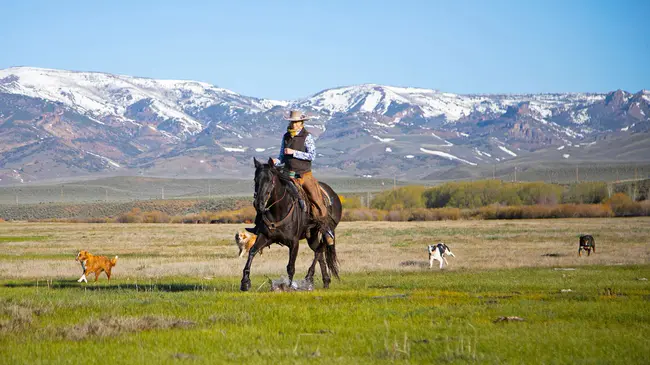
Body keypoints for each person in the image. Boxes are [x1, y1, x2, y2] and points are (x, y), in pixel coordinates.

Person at [248, 110, 333, 243]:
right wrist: (276, 161)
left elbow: (312, 155)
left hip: (304, 175)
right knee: (267, 194)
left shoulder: (307, 137)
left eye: (296, 122)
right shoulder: (286, 136)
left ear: (302, 123)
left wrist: (294, 152)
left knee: (316, 199)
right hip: (288, 174)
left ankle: (326, 228)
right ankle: (260, 226)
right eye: (292, 122)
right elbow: (282, 156)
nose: (294, 125)